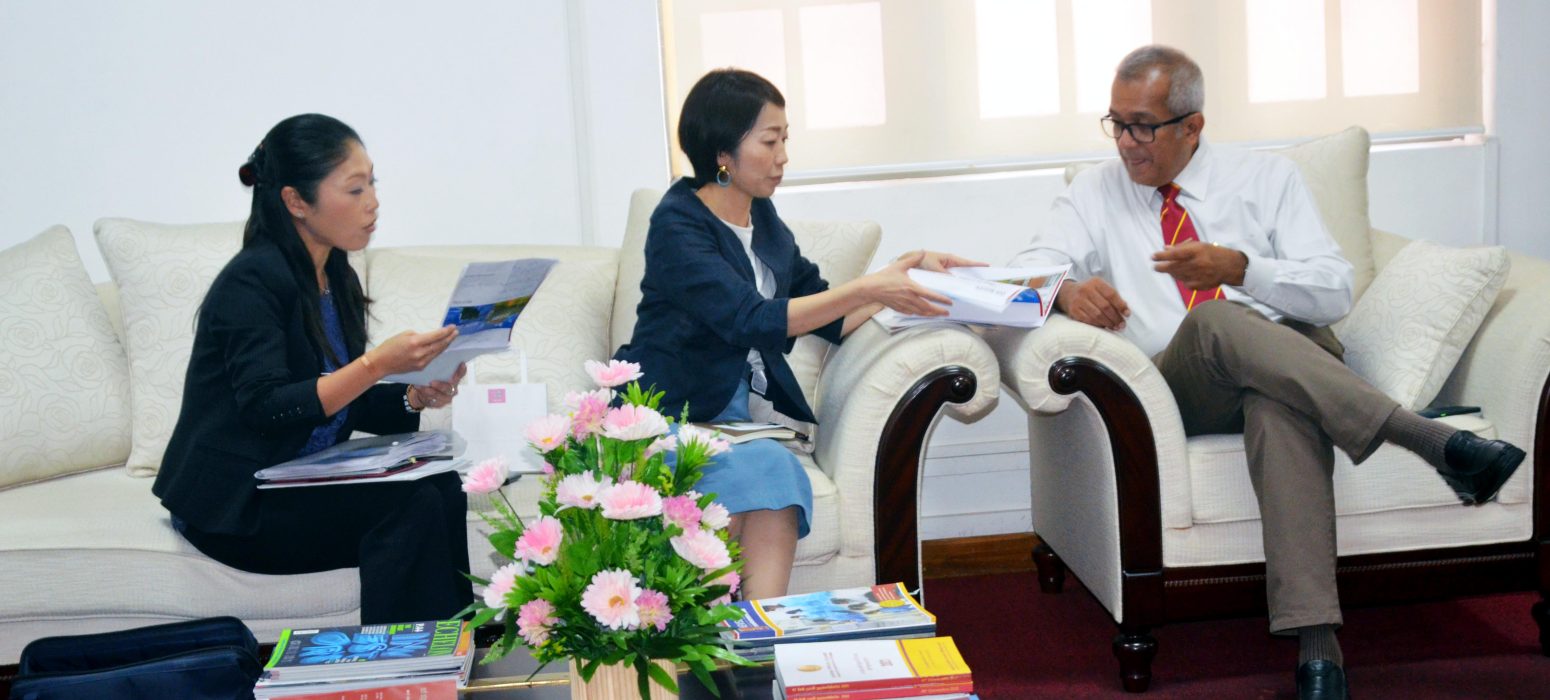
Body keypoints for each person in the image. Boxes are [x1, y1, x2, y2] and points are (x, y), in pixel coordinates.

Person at [1010, 46, 1524, 699]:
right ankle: (1426, 439)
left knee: (1278, 405)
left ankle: (1318, 652)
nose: (1126, 143)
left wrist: (1243, 270)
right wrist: (1065, 292)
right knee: (1215, 322)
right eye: (1117, 122)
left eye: (1143, 126)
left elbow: (1333, 290)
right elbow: (1020, 273)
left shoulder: (1266, 178)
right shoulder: (1094, 191)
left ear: (1192, 126)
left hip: (1294, 357)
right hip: (1188, 379)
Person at [615, 69, 979, 600]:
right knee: (767, 470)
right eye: (770, 141)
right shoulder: (678, 224)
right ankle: (725, 633)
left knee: (776, 478)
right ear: (723, 151)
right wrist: (871, 286)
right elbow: (750, 318)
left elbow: (830, 316)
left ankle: (764, 635)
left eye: (785, 139)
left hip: (732, 424)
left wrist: (909, 275)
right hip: (666, 416)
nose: (783, 156)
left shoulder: (761, 215)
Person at [153, 114, 474, 623]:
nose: (373, 202)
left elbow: (335, 394)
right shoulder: (251, 282)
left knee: (443, 488)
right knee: (409, 506)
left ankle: (450, 651)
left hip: (297, 479)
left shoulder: (334, 273)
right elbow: (268, 407)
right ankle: (400, 662)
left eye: (373, 183)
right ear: (296, 201)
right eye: (355, 188)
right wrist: (376, 364)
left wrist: (412, 394)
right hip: (240, 504)